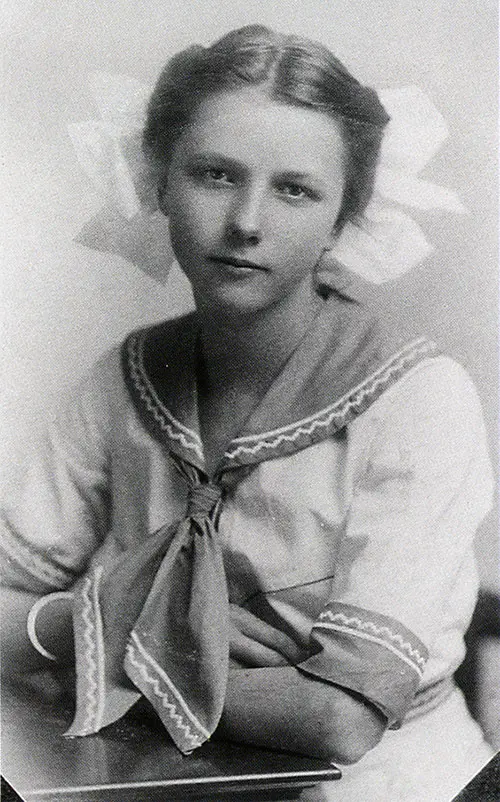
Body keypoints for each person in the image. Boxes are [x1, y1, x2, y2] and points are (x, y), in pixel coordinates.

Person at [1, 24, 494, 801]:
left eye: (296, 188)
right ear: (159, 180)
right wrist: (102, 620)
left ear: (343, 216)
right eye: (215, 175)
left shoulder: (419, 399)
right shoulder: (123, 378)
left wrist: (122, 646)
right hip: (155, 778)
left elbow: (342, 720)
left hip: (383, 788)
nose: (246, 222)